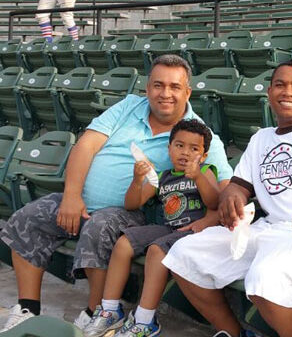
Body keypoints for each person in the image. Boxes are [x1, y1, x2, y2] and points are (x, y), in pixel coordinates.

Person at [0, 55, 232, 332]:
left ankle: (96, 312)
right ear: (147, 88)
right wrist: (72, 196)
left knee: (100, 226)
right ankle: (28, 308)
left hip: (134, 213)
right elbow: (86, 146)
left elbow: (227, 187)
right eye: (158, 85)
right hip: (82, 202)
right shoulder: (129, 107)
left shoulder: (197, 135)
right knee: (27, 217)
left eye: (174, 87)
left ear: (187, 92)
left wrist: (210, 219)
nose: (165, 93)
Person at [163, 60, 292, 337]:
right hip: (268, 228)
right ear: (269, 92)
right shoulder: (261, 138)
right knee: (183, 254)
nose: (288, 91)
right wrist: (231, 198)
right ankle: (234, 333)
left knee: (265, 278)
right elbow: (238, 186)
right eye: (280, 85)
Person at [82, 118, 220, 337]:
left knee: (156, 250)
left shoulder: (206, 170)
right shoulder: (163, 177)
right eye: (179, 145)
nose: (185, 152)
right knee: (124, 243)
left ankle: (145, 321)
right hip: (168, 228)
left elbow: (214, 201)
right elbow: (132, 204)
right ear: (169, 148)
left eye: (194, 149)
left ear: (203, 156)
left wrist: (199, 177)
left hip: (192, 232)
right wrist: (138, 181)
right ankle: (109, 310)